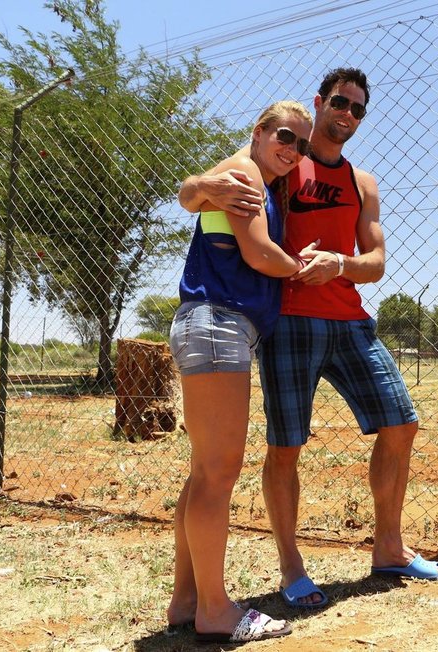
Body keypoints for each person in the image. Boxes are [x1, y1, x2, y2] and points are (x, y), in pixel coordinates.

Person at [178, 68, 438, 609]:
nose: (347, 113)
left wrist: (340, 263)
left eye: (357, 108)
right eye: (339, 102)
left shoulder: (362, 183)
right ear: (318, 103)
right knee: (286, 447)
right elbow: (200, 189)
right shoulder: (281, 165)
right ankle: (291, 568)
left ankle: (390, 549)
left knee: (402, 423)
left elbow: (374, 263)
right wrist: (196, 188)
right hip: (288, 320)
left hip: (349, 320)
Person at [166, 101, 317, 643]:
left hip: (215, 326)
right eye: (284, 135)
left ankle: (187, 601)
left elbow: (191, 194)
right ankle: (215, 611)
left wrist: (194, 186)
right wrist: (303, 265)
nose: (292, 149)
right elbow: (257, 254)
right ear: (258, 132)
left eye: (300, 144)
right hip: (218, 324)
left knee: (205, 471)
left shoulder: (244, 173)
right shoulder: (245, 172)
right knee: (217, 472)